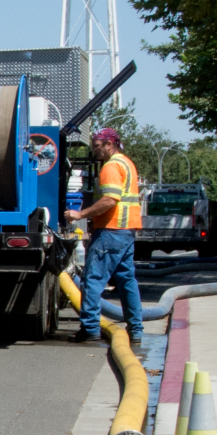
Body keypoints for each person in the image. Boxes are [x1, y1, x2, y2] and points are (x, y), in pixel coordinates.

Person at [66, 127, 146, 341]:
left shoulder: (110, 167)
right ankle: (136, 330)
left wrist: (80, 214)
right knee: (127, 281)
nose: (94, 150)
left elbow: (110, 199)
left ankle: (90, 329)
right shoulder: (126, 163)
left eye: (97, 146)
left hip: (111, 231)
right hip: (126, 230)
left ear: (109, 145)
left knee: (92, 280)